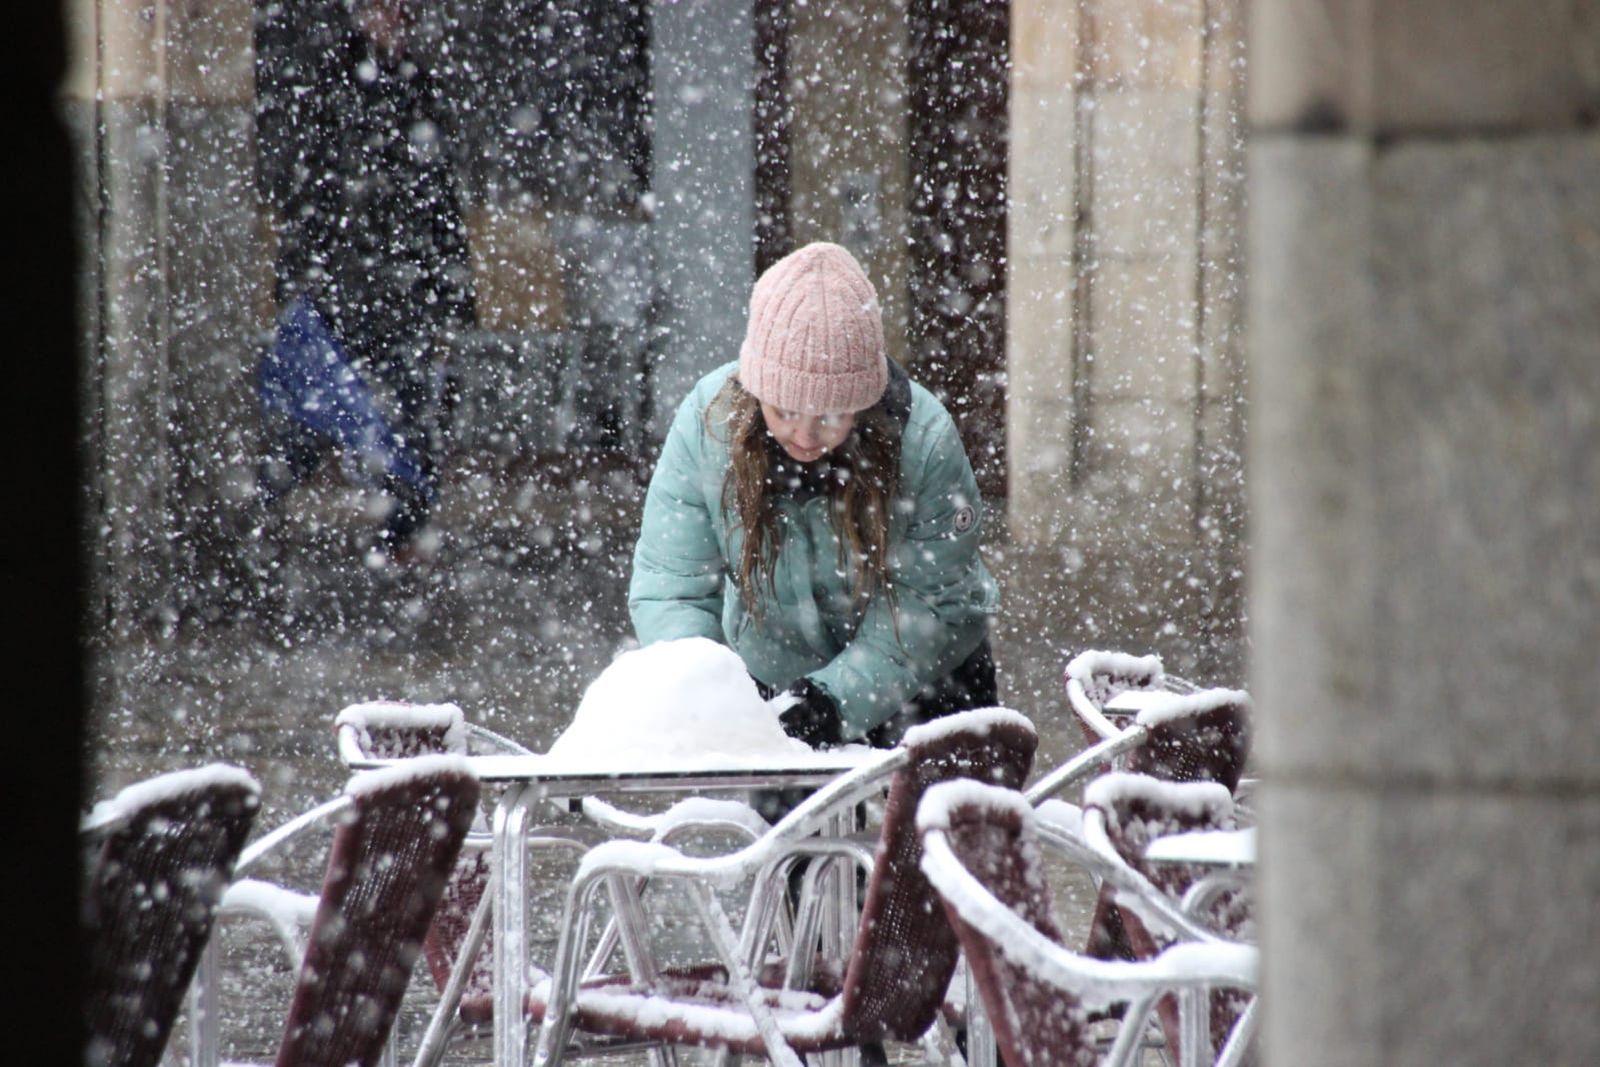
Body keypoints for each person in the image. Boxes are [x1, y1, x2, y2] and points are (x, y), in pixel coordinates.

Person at [629, 241, 1000, 752]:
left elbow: (930, 605)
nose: (804, 436)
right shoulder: (707, 424)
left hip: (928, 680)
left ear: (863, 402)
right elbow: (673, 584)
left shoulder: (925, 442)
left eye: (829, 416)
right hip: (771, 689)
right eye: (783, 411)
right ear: (756, 389)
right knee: (786, 835)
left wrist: (834, 700)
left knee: (932, 829)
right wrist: (719, 696)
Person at [254, 0, 476, 558]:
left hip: (399, 288)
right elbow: (312, 189)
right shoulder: (337, 83)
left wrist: (451, 294)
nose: (390, 21)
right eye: (381, 11)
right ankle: (261, 508)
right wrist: (300, 279)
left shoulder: (413, 87)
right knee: (318, 411)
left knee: (407, 414)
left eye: (398, 12)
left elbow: (439, 198)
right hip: (350, 285)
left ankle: (400, 532)